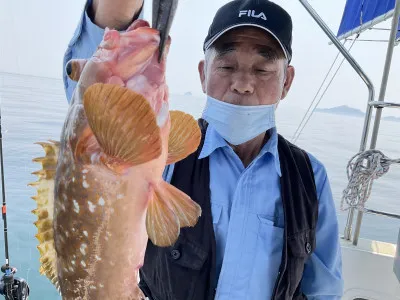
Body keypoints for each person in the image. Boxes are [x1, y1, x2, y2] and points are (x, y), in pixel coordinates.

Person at [63, 0, 344, 299]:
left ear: (286, 81)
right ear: (203, 74)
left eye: (262, 69)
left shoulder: (310, 176)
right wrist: (116, 19)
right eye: (226, 66)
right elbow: (95, 107)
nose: (243, 84)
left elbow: (323, 290)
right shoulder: (164, 155)